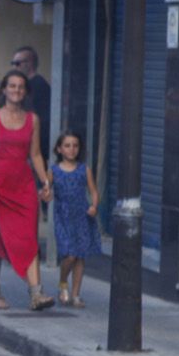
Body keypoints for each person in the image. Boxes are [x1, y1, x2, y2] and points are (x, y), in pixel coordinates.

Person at [0, 69, 55, 310]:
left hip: (23, 184)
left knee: (28, 237)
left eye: (20, 87)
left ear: (25, 91)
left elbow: (36, 154)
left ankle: (36, 294)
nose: (16, 91)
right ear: (4, 90)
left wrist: (45, 182)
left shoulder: (33, 119)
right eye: (12, 86)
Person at [50, 130, 100, 307]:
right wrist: (45, 194)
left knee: (80, 256)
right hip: (62, 216)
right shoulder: (54, 171)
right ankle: (63, 281)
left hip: (82, 216)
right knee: (69, 254)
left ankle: (76, 294)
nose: (71, 150)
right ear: (59, 149)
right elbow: (46, 191)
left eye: (75, 146)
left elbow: (93, 191)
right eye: (67, 146)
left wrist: (94, 206)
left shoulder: (84, 169)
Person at [10, 46, 51, 154]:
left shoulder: (38, 86)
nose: (14, 67)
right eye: (12, 63)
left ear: (29, 64)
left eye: (17, 63)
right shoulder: (28, 85)